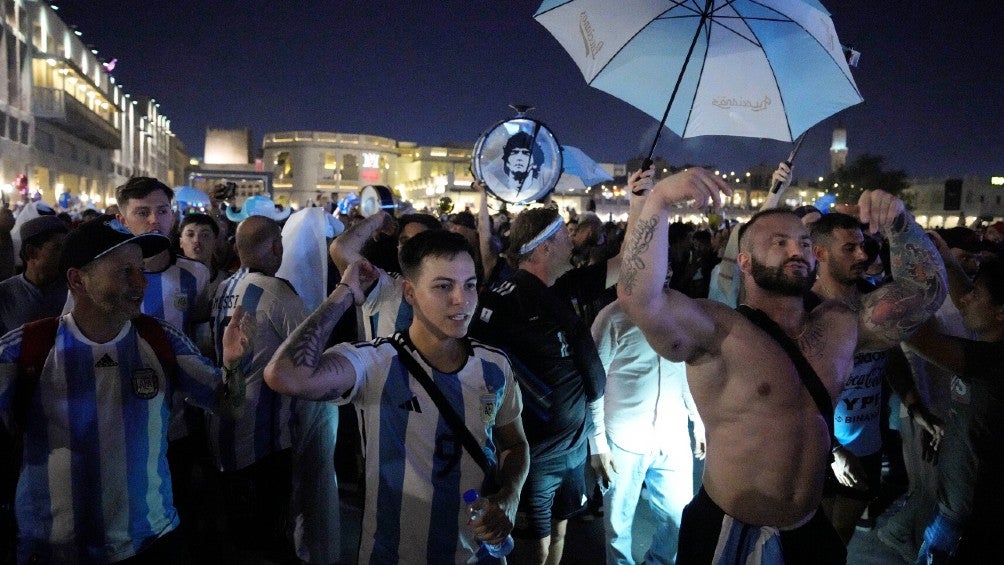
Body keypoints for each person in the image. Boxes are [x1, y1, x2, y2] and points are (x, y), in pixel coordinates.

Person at [616, 168, 946, 563]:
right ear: (745, 261)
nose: (797, 251)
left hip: (808, 526)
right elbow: (641, 299)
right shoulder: (718, 330)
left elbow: (925, 296)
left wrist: (901, 223)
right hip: (731, 529)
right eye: (779, 242)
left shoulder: (839, 325)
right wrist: (656, 202)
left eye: (805, 242)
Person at [265, 230, 529, 563]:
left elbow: (514, 444)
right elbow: (285, 375)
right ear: (409, 293)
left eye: (471, 285)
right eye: (443, 286)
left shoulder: (494, 364)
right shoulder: (375, 362)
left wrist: (509, 495)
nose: (461, 300)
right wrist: (345, 292)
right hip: (393, 554)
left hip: (480, 553)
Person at [0, 215, 248, 563]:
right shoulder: (27, 346)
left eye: (140, 270)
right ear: (77, 280)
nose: (140, 284)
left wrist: (233, 364)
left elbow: (229, 406)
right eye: (123, 272)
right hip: (52, 549)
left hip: (151, 542)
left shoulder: (160, 339)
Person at [469, 205, 607, 565]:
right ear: (544, 247)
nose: (572, 241)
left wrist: (644, 202)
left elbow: (629, 264)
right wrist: (491, 435)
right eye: (564, 235)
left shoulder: (564, 287)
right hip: (534, 454)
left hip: (573, 447)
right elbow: (483, 374)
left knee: (560, 532)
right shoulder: (504, 300)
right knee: (534, 547)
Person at [808, 212, 944, 545]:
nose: (863, 255)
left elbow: (890, 352)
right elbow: (794, 390)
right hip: (818, 446)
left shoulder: (873, 297)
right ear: (820, 254)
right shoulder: (802, 308)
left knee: (842, 536)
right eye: (849, 248)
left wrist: (914, 404)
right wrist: (834, 450)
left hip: (867, 441)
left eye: (863, 246)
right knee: (818, 538)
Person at [208, 215, 304, 562]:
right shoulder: (277, 291)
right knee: (270, 531)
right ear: (276, 246)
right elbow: (307, 350)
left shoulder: (223, 288)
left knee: (238, 528)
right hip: (266, 435)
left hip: (225, 419)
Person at [902, 242, 1004, 563]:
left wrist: (901, 289)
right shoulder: (990, 343)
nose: (964, 299)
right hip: (962, 510)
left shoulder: (992, 363)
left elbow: (912, 334)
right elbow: (966, 298)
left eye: (977, 292)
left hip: (966, 522)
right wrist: (945, 259)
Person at [591, 299, 706, 564]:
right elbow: (594, 382)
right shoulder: (612, 317)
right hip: (623, 438)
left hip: (673, 435)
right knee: (617, 527)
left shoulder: (680, 312)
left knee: (679, 519)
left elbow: (685, 370)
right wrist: (597, 443)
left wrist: (697, 420)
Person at [0, 216, 68, 335]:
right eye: (58, 248)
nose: (65, 255)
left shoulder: (75, 290)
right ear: (31, 252)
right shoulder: (5, 294)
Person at [484, 131, 546, 198]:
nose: (519, 158)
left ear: (535, 163)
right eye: (515, 152)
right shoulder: (496, 187)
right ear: (506, 162)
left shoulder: (541, 189)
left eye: (525, 153)